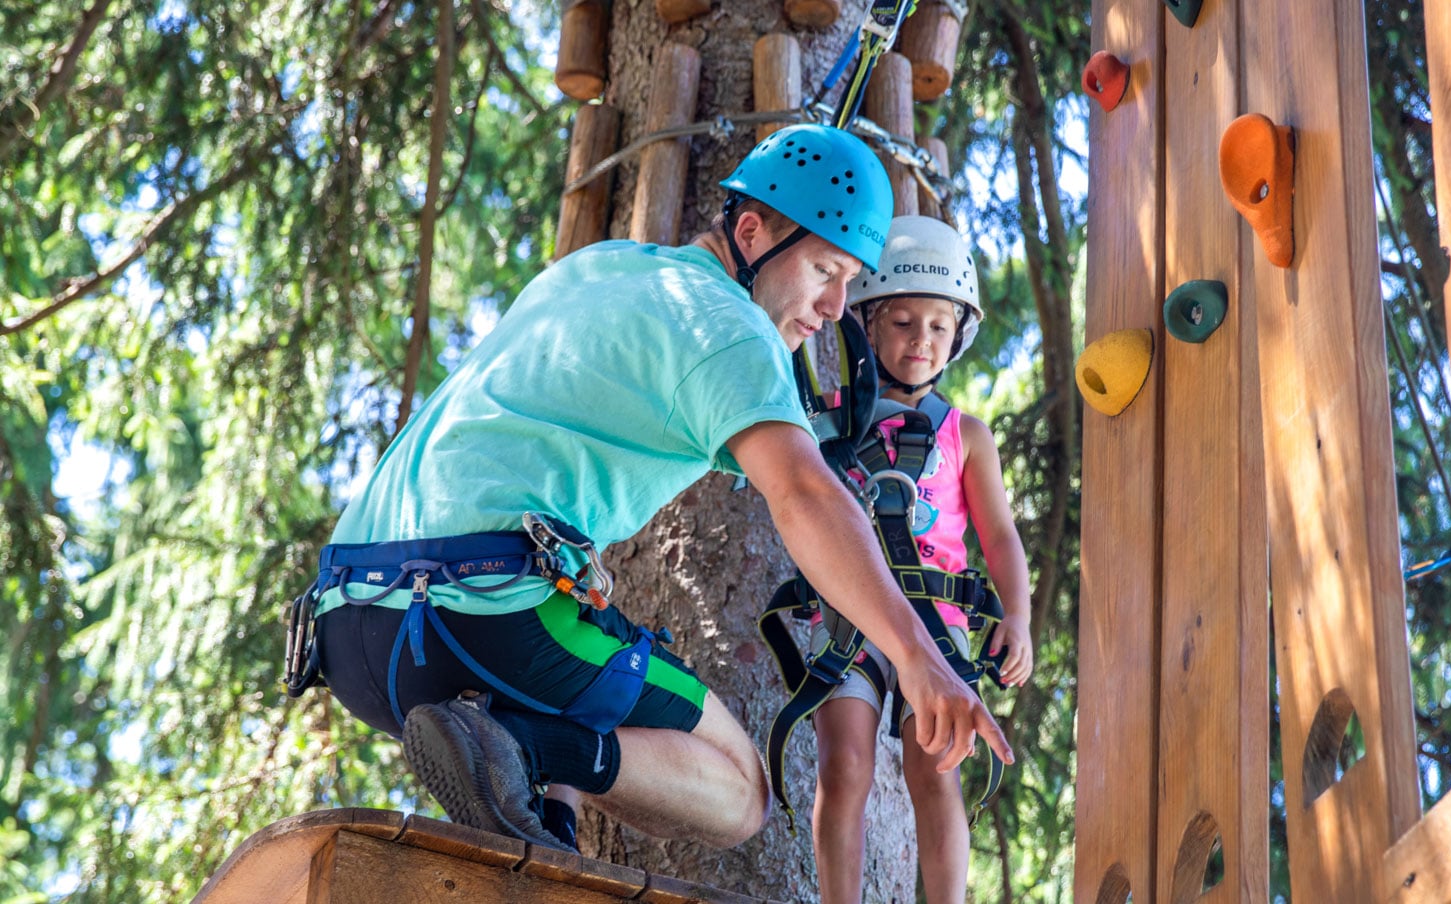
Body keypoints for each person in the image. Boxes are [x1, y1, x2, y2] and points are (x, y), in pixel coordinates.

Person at [291, 125, 1015, 856]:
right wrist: (920, 657)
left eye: (850, 284)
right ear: (753, 229)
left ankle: (545, 825)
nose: (834, 307)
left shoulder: (599, 266)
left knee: (581, 666)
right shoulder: (732, 330)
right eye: (825, 270)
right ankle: (518, 746)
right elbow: (803, 494)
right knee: (740, 791)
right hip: (478, 612)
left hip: (347, 630)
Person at [809, 216, 1035, 904]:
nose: (921, 340)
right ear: (866, 326)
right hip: (850, 618)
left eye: (939, 326)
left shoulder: (966, 434)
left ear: (958, 336)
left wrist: (1017, 619)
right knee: (843, 766)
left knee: (935, 771)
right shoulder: (830, 424)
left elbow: (999, 537)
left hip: (936, 626)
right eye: (903, 321)